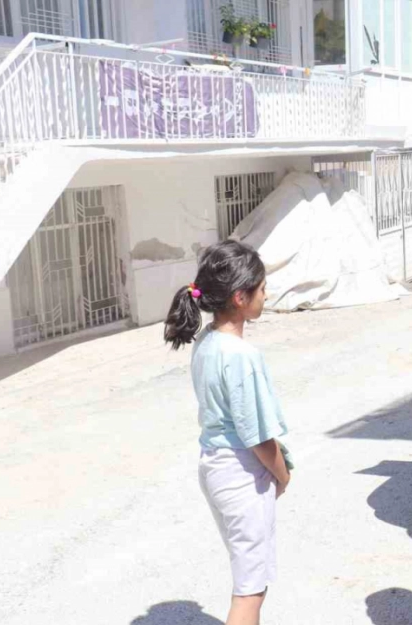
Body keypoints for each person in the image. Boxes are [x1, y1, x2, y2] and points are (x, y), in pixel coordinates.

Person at [164, 240, 292, 625]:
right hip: (240, 474)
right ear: (240, 297)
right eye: (262, 288)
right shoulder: (241, 356)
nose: (266, 295)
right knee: (250, 589)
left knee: (248, 576)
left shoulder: (207, 341)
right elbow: (256, 436)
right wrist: (282, 474)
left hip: (216, 468)